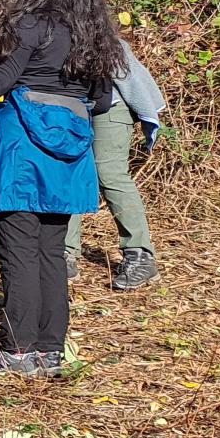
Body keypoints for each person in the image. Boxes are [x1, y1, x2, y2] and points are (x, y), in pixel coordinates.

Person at [0, 0, 124, 375]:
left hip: (20, 152)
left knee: (18, 252)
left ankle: (17, 352)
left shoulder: (31, 25)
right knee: (52, 254)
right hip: (68, 156)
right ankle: (50, 352)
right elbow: (102, 102)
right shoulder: (96, 37)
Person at [63, 38, 165, 290]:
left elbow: (128, 74)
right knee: (69, 173)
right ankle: (64, 254)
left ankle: (140, 256)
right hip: (70, 106)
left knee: (109, 173)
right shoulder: (48, 27)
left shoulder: (99, 32)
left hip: (111, 106)